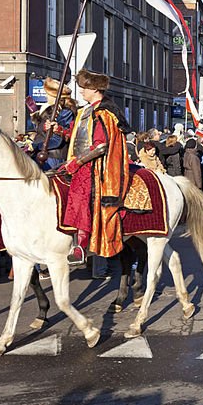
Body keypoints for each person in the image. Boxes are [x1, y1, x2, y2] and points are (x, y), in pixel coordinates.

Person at [61, 69, 131, 266]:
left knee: (82, 196)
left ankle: (81, 246)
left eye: (84, 87)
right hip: (78, 161)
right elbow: (79, 136)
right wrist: (58, 130)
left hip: (95, 166)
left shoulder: (104, 112)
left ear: (94, 89)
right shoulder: (86, 111)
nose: (81, 91)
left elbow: (100, 145)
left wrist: (76, 162)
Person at [31, 77, 77, 170]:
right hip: (42, 154)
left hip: (52, 158)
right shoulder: (49, 111)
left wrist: (35, 146)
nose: (45, 96)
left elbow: (57, 140)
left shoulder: (64, 112)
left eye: (47, 94)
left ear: (53, 95)